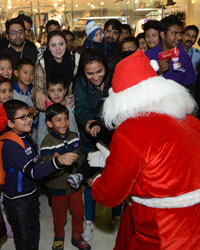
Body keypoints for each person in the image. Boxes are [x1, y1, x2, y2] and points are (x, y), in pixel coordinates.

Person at [90, 49, 200, 250]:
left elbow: (109, 194)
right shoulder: (190, 120)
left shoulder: (131, 130)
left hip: (163, 231)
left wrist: (100, 178)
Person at [1, 99, 78, 250]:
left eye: (28, 115)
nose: (29, 119)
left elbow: (36, 162)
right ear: (10, 123)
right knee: (23, 236)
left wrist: (50, 161)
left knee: (34, 228)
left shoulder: (25, 135)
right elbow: (33, 172)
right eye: (22, 117)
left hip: (31, 192)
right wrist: (58, 161)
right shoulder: (12, 145)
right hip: (17, 200)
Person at [73, 48, 121, 241]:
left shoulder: (115, 79)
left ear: (105, 68)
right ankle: (89, 221)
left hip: (115, 138)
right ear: (83, 73)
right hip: (91, 140)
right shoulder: (80, 83)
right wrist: (88, 122)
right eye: (90, 73)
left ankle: (117, 217)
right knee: (92, 183)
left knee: (116, 180)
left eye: (99, 71)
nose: (95, 77)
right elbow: (80, 108)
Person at [40, 103, 91, 250]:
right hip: (57, 187)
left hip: (75, 185)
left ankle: (77, 236)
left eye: (66, 119)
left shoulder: (74, 137)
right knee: (59, 216)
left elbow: (81, 159)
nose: (63, 123)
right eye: (58, 119)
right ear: (49, 123)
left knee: (78, 213)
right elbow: (45, 169)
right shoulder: (47, 143)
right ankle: (59, 236)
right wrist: (57, 161)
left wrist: (84, 175)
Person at [31, 30, 73, 148]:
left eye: (61, 44)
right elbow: (37, 87)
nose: (58, 48)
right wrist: (38, 93)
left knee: (71, 136)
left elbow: (77, 84)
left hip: (67, 105)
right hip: (48, 105)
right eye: (53, 45)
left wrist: (75, 95)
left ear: (66, 44)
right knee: (44, 139)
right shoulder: (42, 61)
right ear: (48, 47)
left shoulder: (74, 59)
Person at [145, 15, 196, 87]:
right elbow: (140, 83)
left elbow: (190, 87)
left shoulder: (184, 57)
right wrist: (156, 71)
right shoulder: (148, 55)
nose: (179, 37)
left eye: (180, 34)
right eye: (174, 33)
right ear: (162, 35)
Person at [37, 75, 78, 151]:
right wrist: (41, 153)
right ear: (47, 92)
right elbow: (42, 133)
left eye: (60, 90)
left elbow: (75, 128)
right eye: (52, 91)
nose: (56, 94)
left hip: (73, 144)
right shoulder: (45, 108)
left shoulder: (72, 103)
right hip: (54, 148)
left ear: (65, 91)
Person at [13, 58, 38, 141]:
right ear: (16, 73)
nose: (29, 76)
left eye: (31, 73)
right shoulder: (10, 91)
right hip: (14, 135)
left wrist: (34, 114)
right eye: (25, 72)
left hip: (32, 134)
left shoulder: (35, 91)